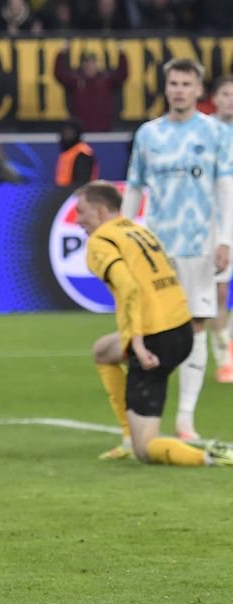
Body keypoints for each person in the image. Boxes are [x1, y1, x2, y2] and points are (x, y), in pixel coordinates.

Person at [77, 181, 233, 467]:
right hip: (180, 326)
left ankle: (211, 455)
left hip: (154, 339)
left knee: (146, 449)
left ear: (100, 212)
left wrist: (137, 342)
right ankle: (127, 437)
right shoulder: (139, 231)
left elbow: (129, 288)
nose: (78, 220)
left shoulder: (101, 241)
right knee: (103, 351)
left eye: (82, 212)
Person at [122, 58, 233, 441]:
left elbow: (225, 187)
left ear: (199, 90)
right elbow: (134, 186)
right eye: (174, 83)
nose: (180, 90)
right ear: (165, 88)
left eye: (187, 83)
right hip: (157, 249)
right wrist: (124, 235)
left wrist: (226, 239)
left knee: (196, 325)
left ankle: (185, 420)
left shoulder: (217, 133)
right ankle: (137, 421)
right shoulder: (149, 134)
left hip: (201, 245)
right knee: (151, 331)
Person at [209, 76, 233, 383]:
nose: (231, 99)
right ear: (214, 97)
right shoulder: (203, 132)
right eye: (226, 94)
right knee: (219, 290)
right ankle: (223, 355)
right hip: (214, 222)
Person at [53, 43, 128, 133]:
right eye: (86, 62)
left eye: (92, 62)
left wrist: (122, 55)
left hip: (103, 130)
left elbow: (122, 75)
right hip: (81, 131)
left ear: (97, 64)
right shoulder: (76, 81)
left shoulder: (106, 81)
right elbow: (59, 75)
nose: (89, 66)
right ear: (82, 65)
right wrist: (60, 54)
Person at [54, 118, 97, 188]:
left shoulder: (82, 153)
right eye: (64, 132)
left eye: (70, 132)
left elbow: (82, 182)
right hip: (64, 193)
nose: (66, 135)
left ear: (77, 134)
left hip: (77, 195)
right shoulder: (67, 152)